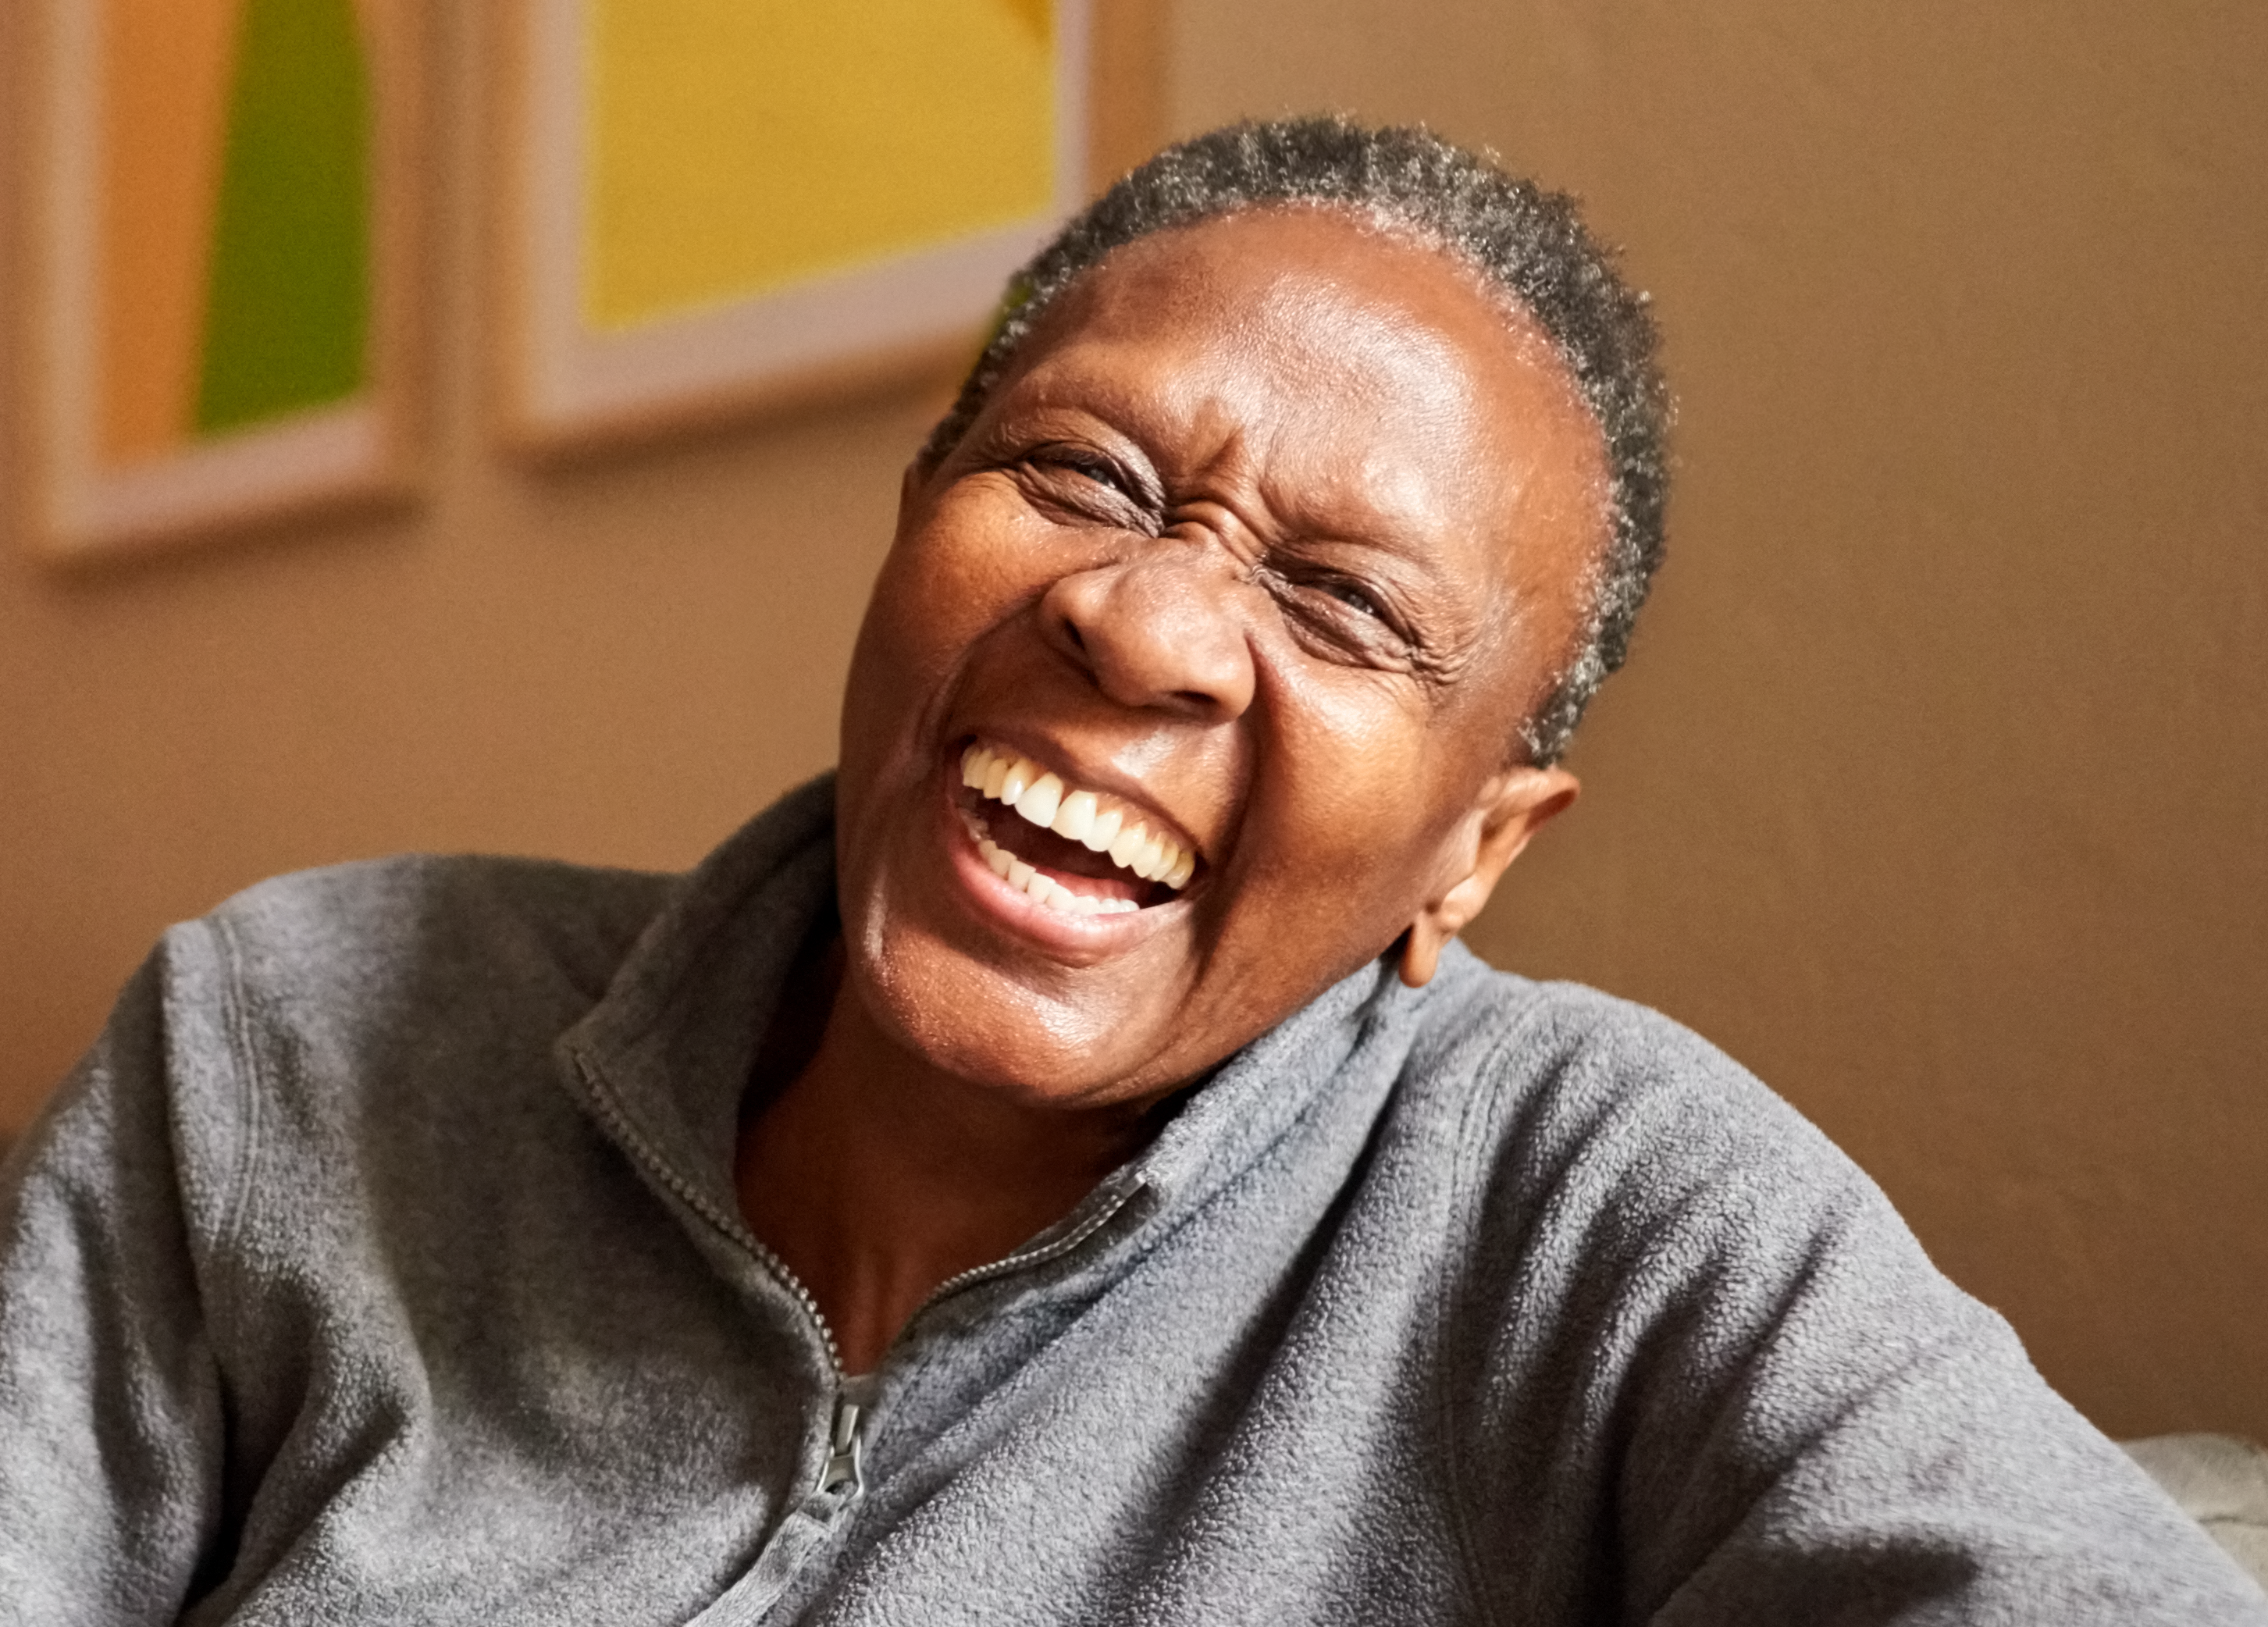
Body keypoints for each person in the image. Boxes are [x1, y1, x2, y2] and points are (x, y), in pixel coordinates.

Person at [2, 118, 2261, 1626]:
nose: (1149, 621)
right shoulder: (295, 1035)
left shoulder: (1609, 1211)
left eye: (1350, 608)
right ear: (910, 515)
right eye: (1077, 474)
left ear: (1475, 850)